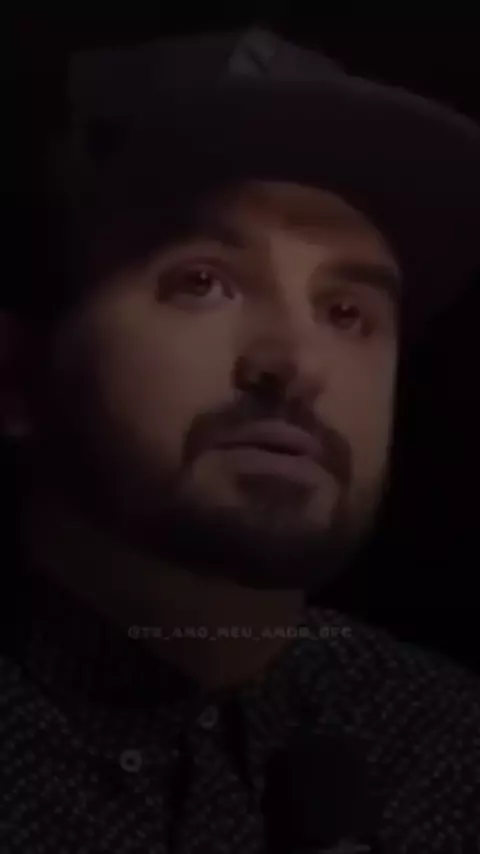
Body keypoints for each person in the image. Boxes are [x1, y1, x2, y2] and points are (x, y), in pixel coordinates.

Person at [1, 28, 480, 854]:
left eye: (347, 313)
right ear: (16, 376)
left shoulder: (448, 745)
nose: (296, 364)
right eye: (203, 282)